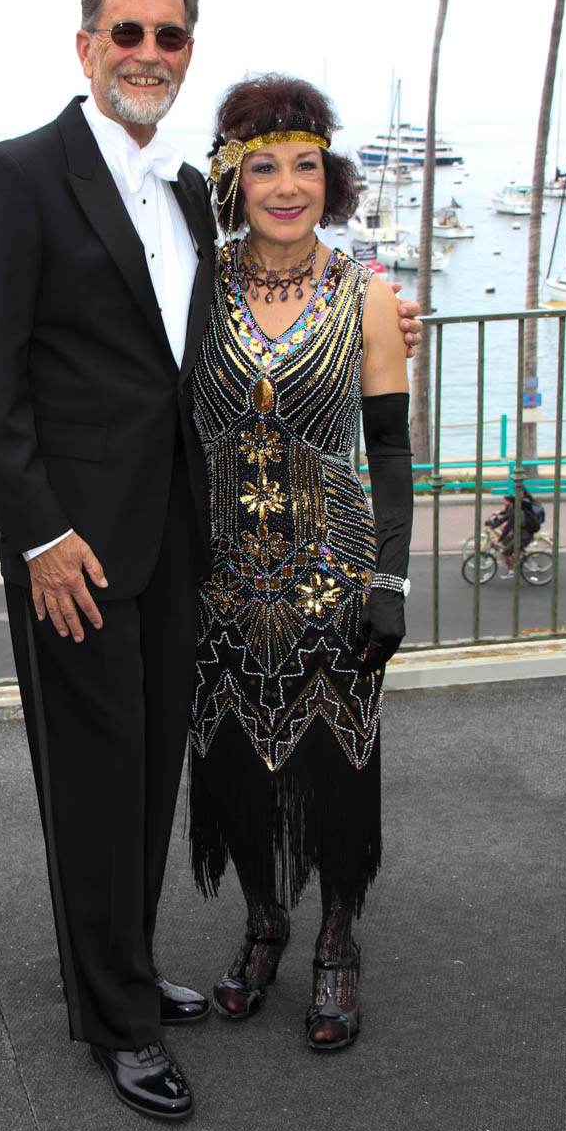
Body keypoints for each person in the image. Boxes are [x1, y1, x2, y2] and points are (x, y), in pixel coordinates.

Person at [0, 0, 422, 1122]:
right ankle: (112, 1020)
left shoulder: (176, 195)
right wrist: (39, 533)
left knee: (150, 774)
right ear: (86, 47)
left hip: (177, 541)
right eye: (127, 34)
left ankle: (122, 967)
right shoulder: (17, 176)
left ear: (185, 52)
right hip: (76, 551)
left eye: (168, 37)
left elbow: (241, 318)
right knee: (94, 782)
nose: (147, 54)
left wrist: (386, 310)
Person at [188, 74, 414, 1053]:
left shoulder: (368, 299)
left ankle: (334, 943)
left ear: (333, 176)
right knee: (233, 770)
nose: (287, 185)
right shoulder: (194, 286)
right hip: (216, 585)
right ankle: (263, 925)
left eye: (306, 166)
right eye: (264, 166)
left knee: (334, 776)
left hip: (335, 580)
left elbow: (393, 451)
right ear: (232, 182)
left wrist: (393, 583)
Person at [486, 488, 541, 577]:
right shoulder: (513, 511)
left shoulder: (516, 512)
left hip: (523, 537)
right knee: (505, 543)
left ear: (511, 503)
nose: (505, 504)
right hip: (519, 534)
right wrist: (492, 527)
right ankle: (515, 557)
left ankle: (512, 571)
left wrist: (499, 539)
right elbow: (502, 519)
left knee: (505, 552)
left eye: (506, 502)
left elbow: (507, 527)